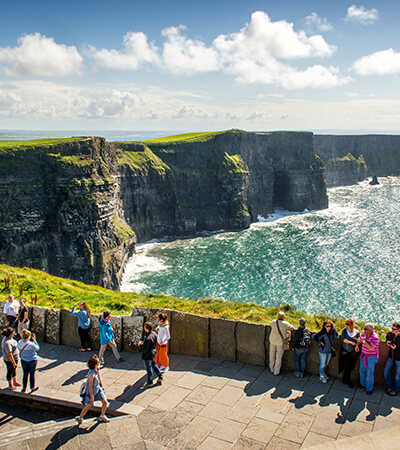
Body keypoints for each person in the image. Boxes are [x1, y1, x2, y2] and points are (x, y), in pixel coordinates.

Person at [76, 355, 109, 424]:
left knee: (105, 402)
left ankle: (102, 415)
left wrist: (102, 386)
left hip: (98, 388)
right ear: (95, 364)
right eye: (98, 362)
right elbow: (90, 387)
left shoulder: (97, 369)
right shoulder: (91, 374)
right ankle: (80, 417)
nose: (99, 363)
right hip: (92, 391)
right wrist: (91, 397)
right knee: (88, 405)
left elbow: (99, 377)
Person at [356, 323, 380, 395]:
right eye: (364, 328)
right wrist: (357, 345)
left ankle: (369, 388)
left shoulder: (375, 338)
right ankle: (362, 384)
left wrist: (364, 341)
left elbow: (371, 348)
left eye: (366, 329)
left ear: (370, 330)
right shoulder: (365, 334)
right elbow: (360, 339)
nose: (364, 330)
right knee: (362, 371)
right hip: (364, 355)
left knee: (369, 374)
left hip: (371, 358)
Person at [269, 312, 294, 376]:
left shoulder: (273, 322)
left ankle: (271, 368)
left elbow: (271, 325)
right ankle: (276, 371)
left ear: (277, 317)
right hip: (280, 342)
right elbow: (292, 328)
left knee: (271, 355)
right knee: (278, 357)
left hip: (272, 340)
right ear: (284, 317)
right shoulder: (285, 324)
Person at [138, 322, 163, 387]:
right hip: (153, 353)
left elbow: (145, 349)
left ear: (146, 329)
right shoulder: (154, 334)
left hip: (147, 355)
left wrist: (140, 345)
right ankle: (160, 376)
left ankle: (150, 381)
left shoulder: (148, 338)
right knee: (154, 365)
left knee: (149, 369)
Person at [339, 319, 360, 388]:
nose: (346, 325)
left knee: (351, 366)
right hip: (345, 351)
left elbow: (358, 341)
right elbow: (343, 339)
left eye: (348, 324)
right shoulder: (344, 331)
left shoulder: (357, 332)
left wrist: (357, 345)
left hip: (353, 352)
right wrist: (351, 342)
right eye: (346, 324)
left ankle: (345, 379)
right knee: (347, 366)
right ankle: (348, 380)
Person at [383, 322, 400, 396]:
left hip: (399, 359)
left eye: (394, 329)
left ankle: (395, 390)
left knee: (397, 376)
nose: (392, 330)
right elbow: (387, 338)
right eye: (392, 328)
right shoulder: (390, 334)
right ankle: (389, 386)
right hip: (391, 357)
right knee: (386, 372)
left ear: (398, 330)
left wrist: (396, 348)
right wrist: (387, 342)